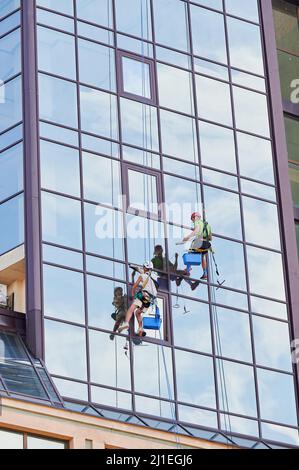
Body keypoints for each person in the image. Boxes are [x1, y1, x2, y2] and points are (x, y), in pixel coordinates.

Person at [118, 262, 158, 337]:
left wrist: (133, 294)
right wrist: (136, 268)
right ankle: (140, 328)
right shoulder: (154, 276)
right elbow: (145, 272)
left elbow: (134, 286)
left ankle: (126, 323)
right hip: (150, 300)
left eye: (143, 267)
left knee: (131, 309)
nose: (142, 268)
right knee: (138, 313)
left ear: (145, 268)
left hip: (143, 296)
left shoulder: (142, 276)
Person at [182, 212, 212, 281]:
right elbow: (210, 238)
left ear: (194, 217)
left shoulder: (197, 222)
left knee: (190, 252)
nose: (193, 222)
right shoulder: (208, 226)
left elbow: (196, 230)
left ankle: (188, 270)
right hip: (206, 244)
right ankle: (205, 273)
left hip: (199, 242)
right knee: (202, 256)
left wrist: (187, 237)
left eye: (192, 220)